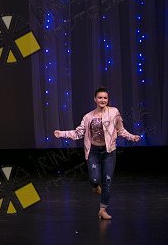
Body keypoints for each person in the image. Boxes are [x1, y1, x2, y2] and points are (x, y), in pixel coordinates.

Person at [53, 87, 140, 220]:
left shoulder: (114, 112)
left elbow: (120, 129)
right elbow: (78, 133)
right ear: (95, 99)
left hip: (109, 152)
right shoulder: (88, 117)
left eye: (105, 98)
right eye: (100, 97)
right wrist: (62, 134)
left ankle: (102, 210)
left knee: (107, 181)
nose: (103, 100)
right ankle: (94, 186)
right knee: (94, 180)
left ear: (108, 99)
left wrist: (132, 137)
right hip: (93, 151)